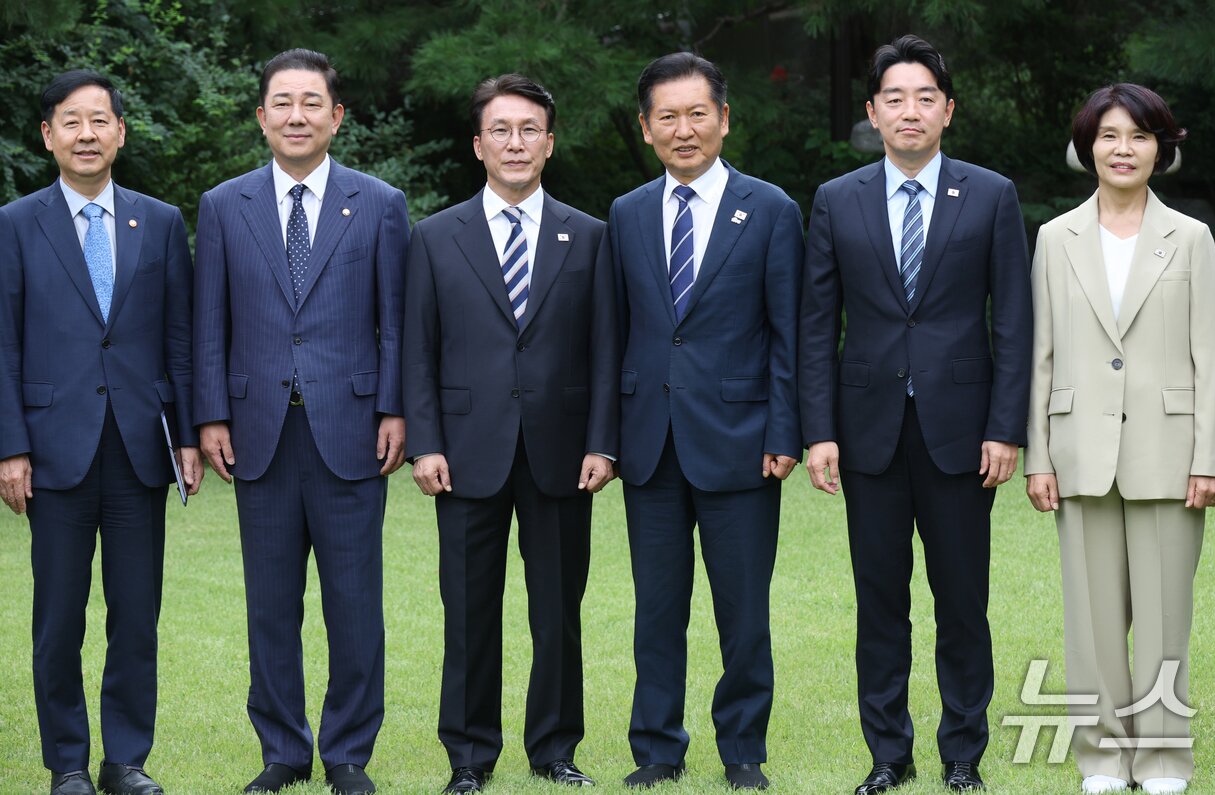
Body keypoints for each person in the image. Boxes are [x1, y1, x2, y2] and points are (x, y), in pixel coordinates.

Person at [799, 34, 1031, 794]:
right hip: (867, 431)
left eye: (925, 97)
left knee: (963, 601)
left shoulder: (991, 194)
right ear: (872, 111)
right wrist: (819, 429)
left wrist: (1005, 426)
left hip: (963, 432)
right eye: (894, 98)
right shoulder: (837, 199)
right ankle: (888, 754)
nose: (910, 111)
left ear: (948, 109)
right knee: (881, 602)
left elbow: (1014, 321)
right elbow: (816, 322)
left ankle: (962, 751)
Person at [192, 48, 409, 795]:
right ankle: (282, 749)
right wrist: (211, 414)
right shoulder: (224, 205)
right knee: (270, 606)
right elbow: (208, 321)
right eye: (282, 102)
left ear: (336, 117)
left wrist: (393, 407)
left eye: (312, 102)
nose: (296, 115)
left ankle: (348, 751)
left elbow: (394, 321)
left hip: (351, 431)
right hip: (257, 434)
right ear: (261, 117)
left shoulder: (380, 204)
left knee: (356, 607)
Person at [402, 73, 618, 794]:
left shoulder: (590, 237)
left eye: (530, 129)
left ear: (550, 144)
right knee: (468, 610)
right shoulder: (434, 238)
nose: (515, 142)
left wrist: (602, 441)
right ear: (478, 144)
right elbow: (418, 350)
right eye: (501, 129)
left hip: (563, 451)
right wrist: (425, 441)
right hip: (464, 452)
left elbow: (606, 348)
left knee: (558, 610)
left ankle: (555, 747)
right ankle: (468, 756)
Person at [604, 51, 803, 791]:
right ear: (647, 128)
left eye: (697, 114)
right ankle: (657, 745)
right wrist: (606, 439)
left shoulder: (772, 209)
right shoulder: (624, 215)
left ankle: (743, 748)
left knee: (743, 612)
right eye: (667, 117)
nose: (683, 130)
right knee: (657, 609)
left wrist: (787, 431)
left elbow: (789, 333)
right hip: (649, 445)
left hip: (743, 442)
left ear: (724, 117)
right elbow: (612, 336)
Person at [0, 70, 202, 795]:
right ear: (48, 135)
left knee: (135, 616)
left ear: (121, 130)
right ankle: (67, 765)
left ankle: (125, 761)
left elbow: (179, 338)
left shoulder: (160, 219)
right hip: (52, 450)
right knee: (57, 619)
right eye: (70, 121)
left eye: (100, 120)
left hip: (139, 448)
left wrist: (185, 434)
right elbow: (3, 344)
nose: (86, 134)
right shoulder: (15, 224)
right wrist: (10, 444)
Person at [1023, 83, 1215, 795]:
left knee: (1166, 622)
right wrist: (1038, 457)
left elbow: (1213, 355)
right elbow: (1042, 355)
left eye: (1139, 136)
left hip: (1170, 458)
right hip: (1079, 453)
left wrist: (1209, 458)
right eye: (1109, 135)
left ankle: (1166, 760)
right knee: (1092, 625)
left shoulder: (1192, 237)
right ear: (1087, 146)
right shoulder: (1055, 238)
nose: (1123, 148)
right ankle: (1104, 759)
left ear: (1160, 148)